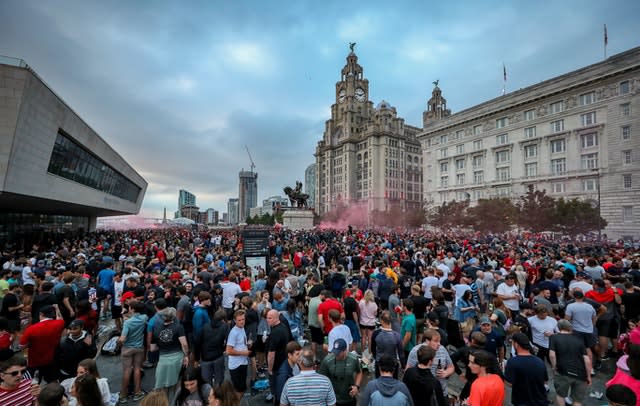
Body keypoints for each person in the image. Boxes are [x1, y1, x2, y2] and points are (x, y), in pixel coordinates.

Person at [549, 320, 591, 406]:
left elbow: (552, 355)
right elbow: (587, 359)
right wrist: (588, 376)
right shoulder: (579, 340)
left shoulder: (554, 337)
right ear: (570, 328)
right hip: (580, 374)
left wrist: (554, 367)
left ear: (559, 328)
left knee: (561, 395)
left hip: (562, 372)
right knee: (577, 400)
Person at [19, 305, 65, 383]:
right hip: (51, 360)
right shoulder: (59, 323)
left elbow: (21, 346)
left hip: (34, 362)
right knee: (52, 382)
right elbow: (60, 318)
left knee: (33, 384)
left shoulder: (31, 329)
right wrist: (57, 308)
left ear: (41, 314)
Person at [150, 307, 189, 392]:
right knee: (176, 383)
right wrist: (186, 356)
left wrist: (162, 345)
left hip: (163, 359)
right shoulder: (178, 327)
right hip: (177, 357)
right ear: (174, 316)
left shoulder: (156, 328)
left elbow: (152, 348)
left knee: (163, 386)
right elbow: (184, 344)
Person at [504, 332, 548, 406]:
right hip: (541, 401)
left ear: (516, 344)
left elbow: (509, 383)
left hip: (522, 402)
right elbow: (545, 382)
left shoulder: (512, 362)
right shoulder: (539, 361)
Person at [118, 300, 148, 402]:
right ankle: (137, 392)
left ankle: (123, 395)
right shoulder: (144, 318)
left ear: (133, 309)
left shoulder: (127, 323)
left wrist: (118, 343)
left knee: (127, 371)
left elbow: (122, 339)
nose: (128, 308)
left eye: (130, 307)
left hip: (127, 348)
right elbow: (138, 318)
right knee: (137, 369)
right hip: (139, 348)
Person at [319, 338, 362, 406]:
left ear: (345, 350)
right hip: (333, 399)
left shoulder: (353, 359)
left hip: (349, 398)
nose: (336, 354)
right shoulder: (327, 360)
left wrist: (356, 386)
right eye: (334, 352)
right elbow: (321, 379)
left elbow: (359, 372)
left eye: (338, 353)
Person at [194, 309, 228, 388]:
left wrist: (196, 359)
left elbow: (197, 343)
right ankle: (218, 396)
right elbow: (228, 341)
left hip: (205, 358)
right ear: (223, 319)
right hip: (218, 356)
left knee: (206, 382)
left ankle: (209, 397)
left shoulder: (205, 326)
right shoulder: (225, 326)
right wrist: (223, 349)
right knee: (219, 380)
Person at [266, 309, 290, 405]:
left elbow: (271, 354)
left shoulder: (275, 332)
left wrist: (270, 369)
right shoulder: (282, 326)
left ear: (276, 318)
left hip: (277, 365)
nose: (267, 320)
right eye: (267, 318)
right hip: (283, 360)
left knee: (278, 389)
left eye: (270, 318)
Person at [370, 310, 404, 378]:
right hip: (393, 363)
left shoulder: (376, 333)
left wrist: (376, 357)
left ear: (381, 321)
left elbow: (373, 348)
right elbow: (401, 353)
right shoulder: (397, 335)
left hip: (379, 362)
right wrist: (403, 365)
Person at [225, 309, 250, 399]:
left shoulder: (242, 328)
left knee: (242, 389)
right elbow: (228, 351)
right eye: (239, 320)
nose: (242, 322)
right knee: (238, 391)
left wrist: (247, 345)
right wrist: (243, 352)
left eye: (243, 319)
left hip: (243, 362)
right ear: (235, 320)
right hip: (236, 366)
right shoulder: (233, 333)